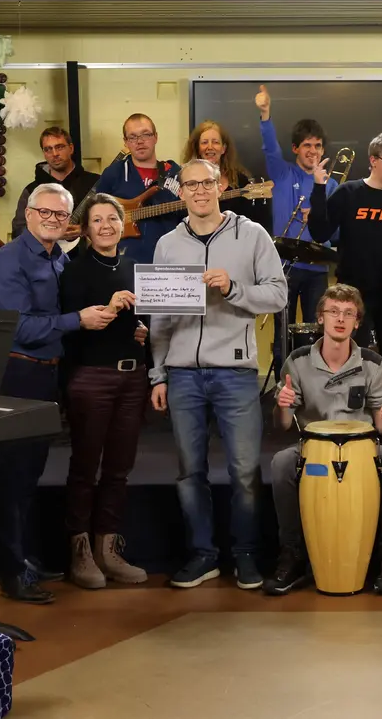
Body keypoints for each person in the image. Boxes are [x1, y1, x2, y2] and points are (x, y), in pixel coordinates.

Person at [149, 159, 288, 590]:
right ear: (181, 193)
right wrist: (158, 374)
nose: (200, 191)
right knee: (190, 472)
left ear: (221, 185)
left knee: (245, 470)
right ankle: (202, 555)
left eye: (207, 183)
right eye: (190, 185)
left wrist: (233, 289)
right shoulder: (168, 244)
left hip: (235, 373)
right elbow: (159, 319)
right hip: (183, 375)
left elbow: (279, 294)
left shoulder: (252, 235)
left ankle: (245, 555)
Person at [0, 183, 108, 603]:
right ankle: (11, 571)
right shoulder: (6, 262)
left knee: (29, 474)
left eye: (60, 215)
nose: (53, 220)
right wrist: (78, 320)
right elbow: (16, 328)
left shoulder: (58, 259)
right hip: (18, 376)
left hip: (47, 377)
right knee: (13, 474)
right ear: (29, 213)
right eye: (46, 213)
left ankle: (21, 561)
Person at [264, 284, 382, 597]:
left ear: (357, 322)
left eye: (348, 314)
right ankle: (293, 554)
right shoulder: (297, 361)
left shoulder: (373, 364)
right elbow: (283, 425)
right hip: (314, 451)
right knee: (281, 463)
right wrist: (283, 405)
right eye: (333, 312)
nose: (340, 319)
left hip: (362, 450)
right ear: (320, 318)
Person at [58, 193, 154, 589]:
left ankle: (108, 549)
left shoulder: (135, 268)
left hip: (133, 378)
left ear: (122, 223)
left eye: (111, 218)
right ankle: (79, 553)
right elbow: (75, 333)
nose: (105, 226)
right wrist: (112, 307)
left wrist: (144, 333)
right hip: (90, 378)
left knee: (119, 469)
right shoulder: (74, 272)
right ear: (85, 229)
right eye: (96, 220)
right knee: (85, 468)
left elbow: (141, 326)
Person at [306, 133, 382, 420]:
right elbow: (320, 232)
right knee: (350, 361)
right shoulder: (349, 193)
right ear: (373, 161)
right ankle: (347, 424)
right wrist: (319, 187)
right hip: (352, 297)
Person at [256, 85, 337, 370]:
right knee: (282, 331)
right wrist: (265, 114)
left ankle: (312, 382)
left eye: (317, 146)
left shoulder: (332, 185)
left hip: (317, 269)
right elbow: (270, 146)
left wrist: (316, 220)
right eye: (306, 145)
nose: (312, 151)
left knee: (316, 331)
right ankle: (282, 385)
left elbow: (336, 233)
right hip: (284, 266)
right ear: (295, 149)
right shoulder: (281, 172)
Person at [91, 113, 181, 264]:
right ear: (125, 142)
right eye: (132, 137)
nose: (140, 142)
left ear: (156, 137)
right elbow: (94, 214)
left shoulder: (175, 173)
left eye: (146, 134)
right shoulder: (114, 173)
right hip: (125, 260)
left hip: (170, 259)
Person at [183, 119, 273, 231]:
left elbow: (255, 223)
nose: (210, 147)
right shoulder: (185, 181)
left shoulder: (240, 181)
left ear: (223, 149)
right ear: (197, 148)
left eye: (215, 142)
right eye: (204, 142)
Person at [12, 126, 99, 242]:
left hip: (88, 256)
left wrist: (85, 230)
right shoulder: (32, 190)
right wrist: (48, 234)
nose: (54, 154)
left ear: (71, 148)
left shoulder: (95, 182)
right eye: (48, 149)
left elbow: (113, 221)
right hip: (45, 258)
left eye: (59, 147)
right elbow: (18, 231)